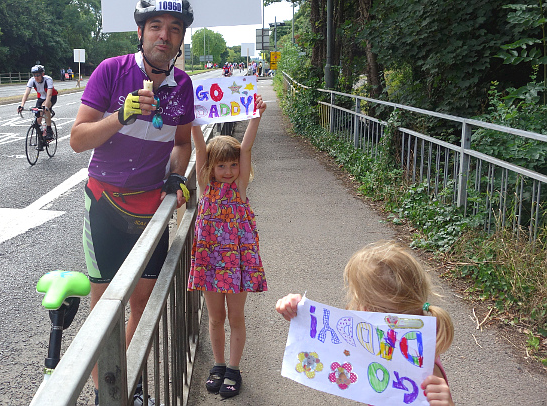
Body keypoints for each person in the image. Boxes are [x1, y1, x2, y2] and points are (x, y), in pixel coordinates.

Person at [69, 0, 195, 405]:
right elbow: (77, 140)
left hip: (151, 209)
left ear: (180, 39)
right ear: (140, 33)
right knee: (105, 308)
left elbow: (180, 144)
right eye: (155, 26)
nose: (164, 35)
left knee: (142, 306)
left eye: (174, 28)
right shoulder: (112, 71)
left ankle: (126, 383)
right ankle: (102, 393)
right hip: (105, 201)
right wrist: (121, 115)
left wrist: (176, 177)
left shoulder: (183, 86)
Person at [275, 241, 455, 406]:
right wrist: (299, 311)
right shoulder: (373, 340)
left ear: (368, 311)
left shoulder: (426, 369)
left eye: (355, 298)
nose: (350, 306)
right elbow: (330, 337)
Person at [187, 95, 268, 399]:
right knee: (215, 317)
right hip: (210, 261)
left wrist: (256, 116)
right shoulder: (206, 187)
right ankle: (218, 365)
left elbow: (245, 147)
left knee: (236, 317)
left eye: (233, 165)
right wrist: (193, 120)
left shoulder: (240, 187)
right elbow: (198, 148)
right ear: (211, 167)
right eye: (222, 165)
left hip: (237, 262)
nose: (229, 170)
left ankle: (234, 369)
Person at [17, 64, 58, 144]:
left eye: (38, 75)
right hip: (41, 98)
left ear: (42, 74)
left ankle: (49, 130)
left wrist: (46, 107)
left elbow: (49, 95)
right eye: (34, 75)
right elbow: (26, 93)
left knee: (44, 108)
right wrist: (22, 105)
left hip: (51, 97)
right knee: (38, 119)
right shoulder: (32, 80)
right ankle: (41, 136)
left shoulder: (48, 80)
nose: (36, 77)